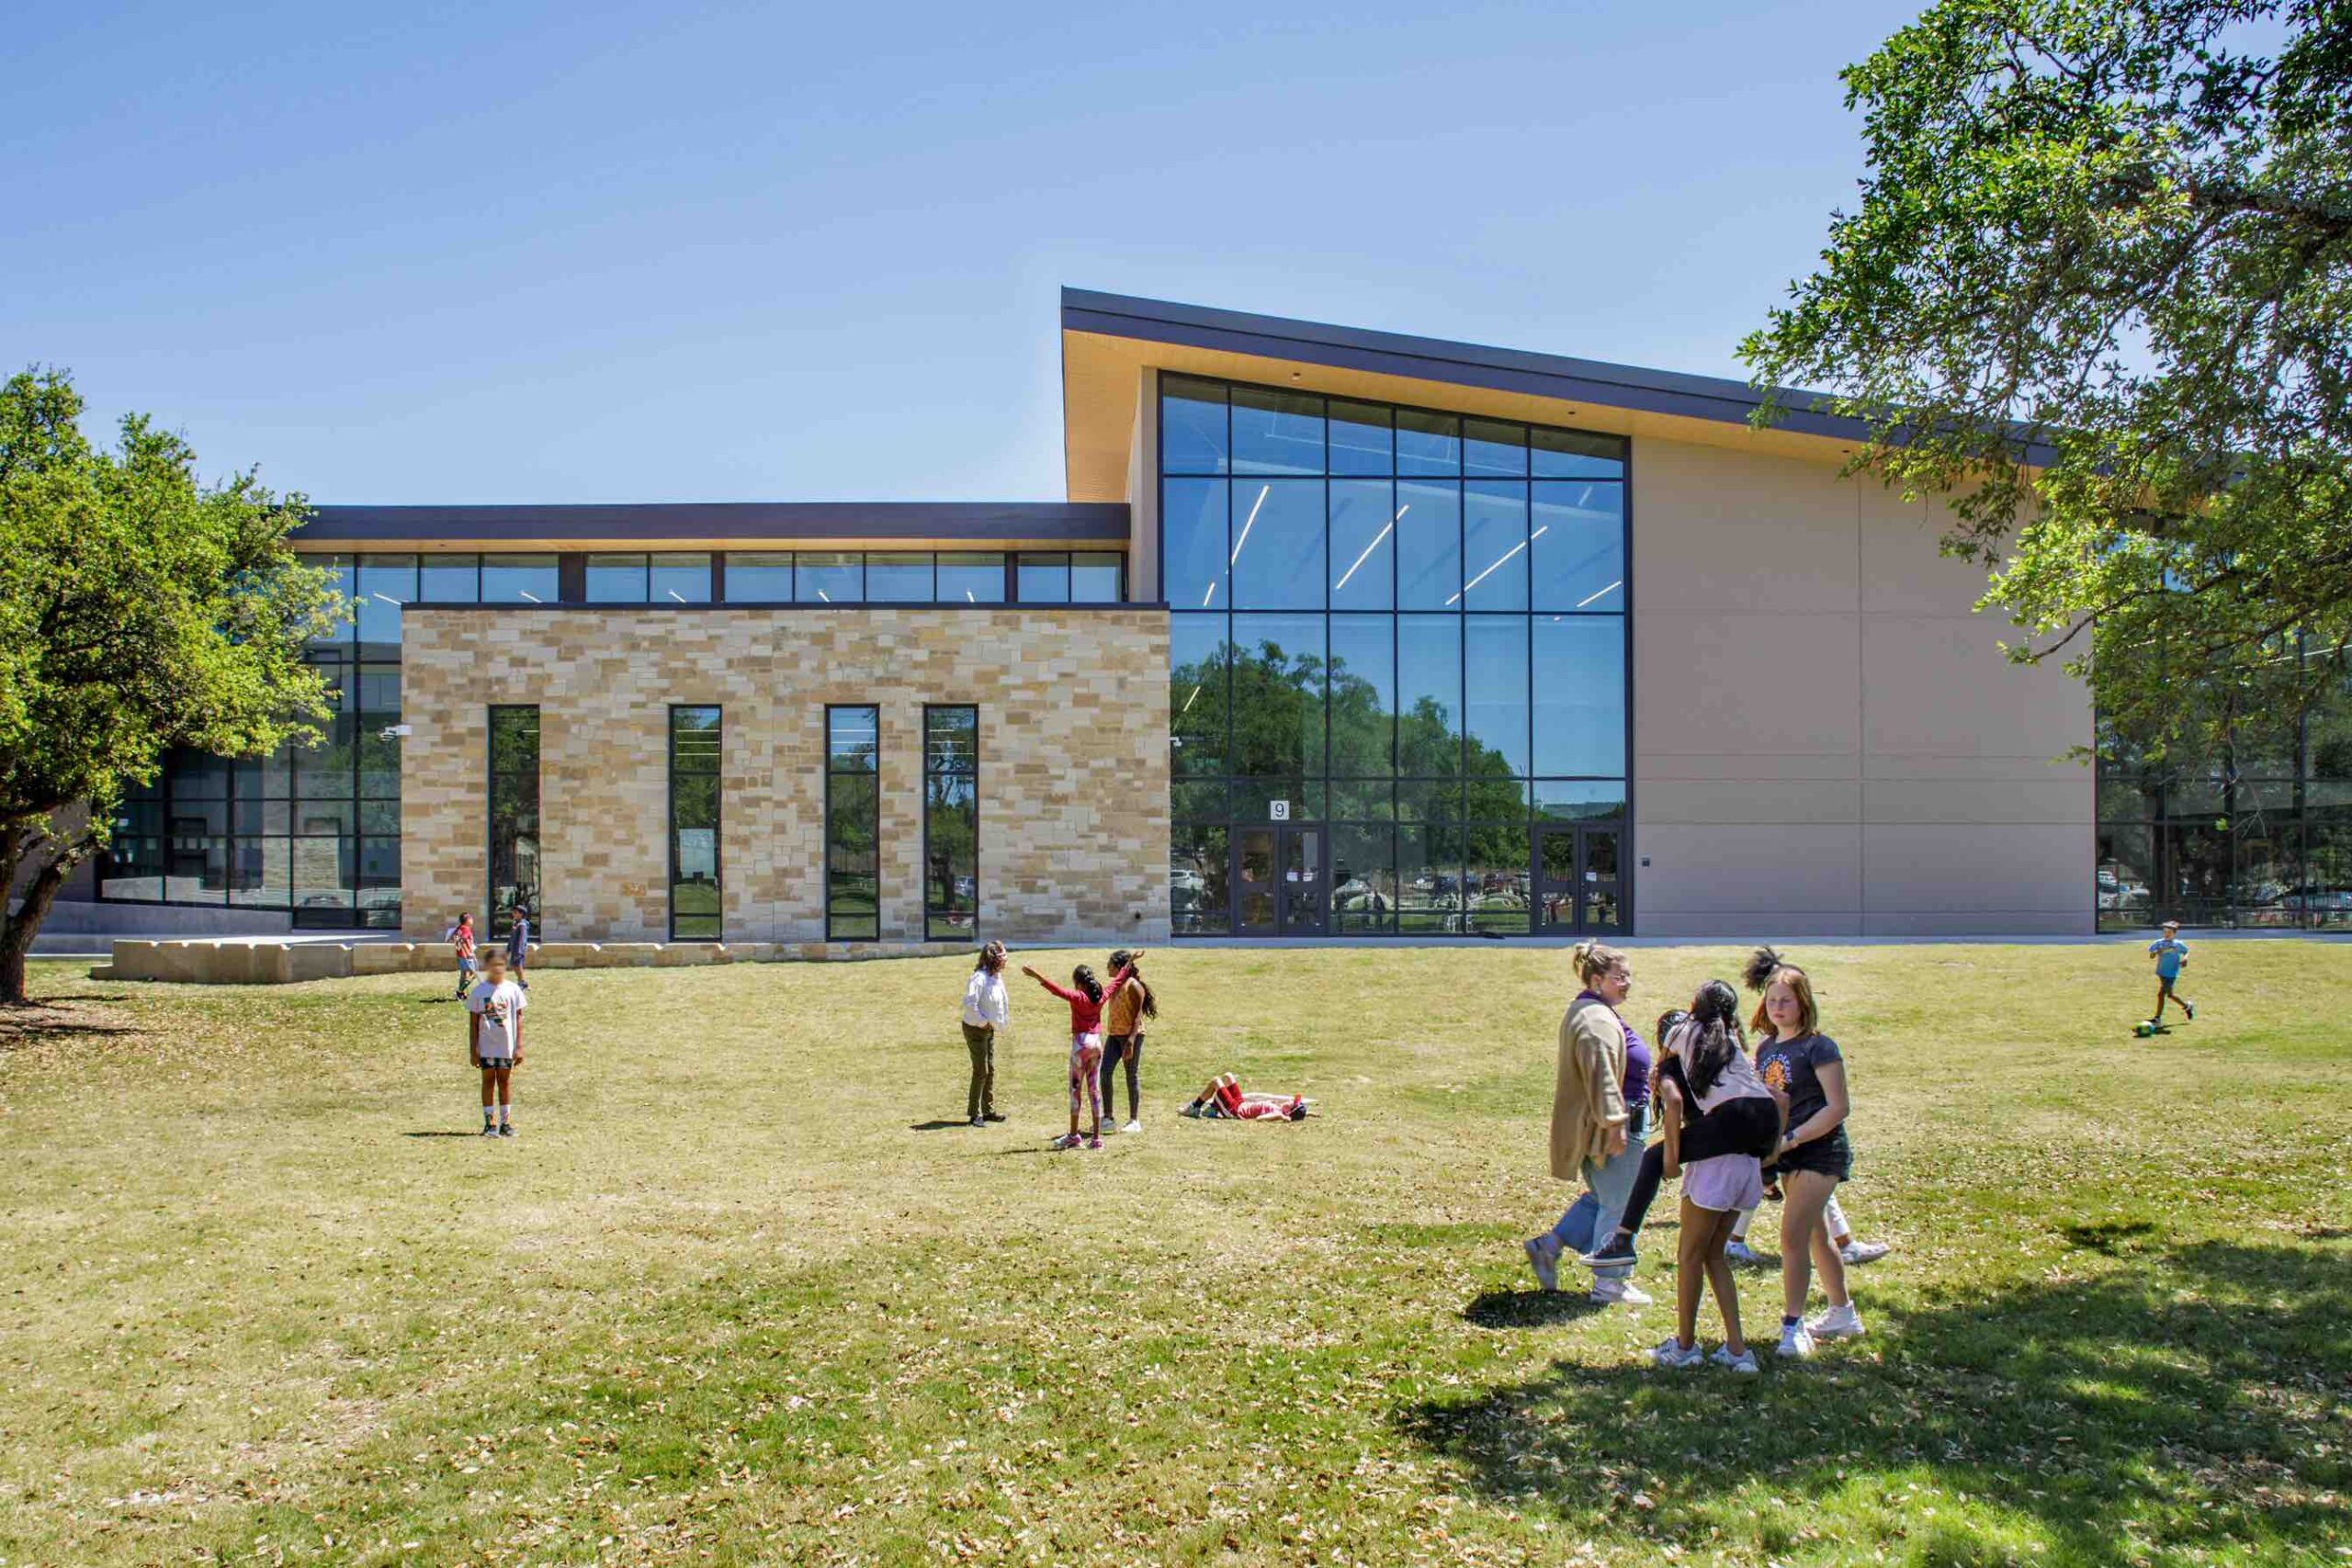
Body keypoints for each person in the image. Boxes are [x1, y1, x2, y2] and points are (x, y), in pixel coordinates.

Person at [1580, 987, 1784, 1276]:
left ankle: (1623, 1239)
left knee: (1652, 1158)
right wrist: (1773, 1153)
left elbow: (1673, 1098)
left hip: (1734, 1118)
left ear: (1694, 1006)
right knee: (1715, 1255)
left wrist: (1671, 1160)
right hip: (1766, 1118)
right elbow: (1782, 1100)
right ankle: (1768, 1177)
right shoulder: (1729, 1040)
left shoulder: (1680, 1030)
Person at [1523, 941, 1653, 1307]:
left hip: (1609, 1120)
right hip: (1612, 1123)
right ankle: (1610, 1284)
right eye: (1619, 977)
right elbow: (1601, 1075)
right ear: (1597, 979)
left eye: (1628, 976)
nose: (1626, 982)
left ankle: (1547, 1247)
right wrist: (1615, 1123)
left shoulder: (1593, 1011)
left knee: (1602, 1197)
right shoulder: (1595, 1019)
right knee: (1618, 1204)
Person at [1747, 949, 1863, 1358]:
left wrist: (1792, 1139)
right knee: (1815, 1235)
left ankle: (1792, 1327)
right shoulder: (1764, 1050)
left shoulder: (1819, 1047)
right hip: (1787, 1155)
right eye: (1772, 1000)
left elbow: (1837, 1107)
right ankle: (1842, 1313)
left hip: (1821, 1150)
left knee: (1792, 1236)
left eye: (1787, 1000)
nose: (1778, 1007)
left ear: (1804, 1004)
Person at [1022, 963, 1105, 1151]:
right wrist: (1130, 963)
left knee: (1075, 1090)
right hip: (1097, 1044)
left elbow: (1056, 990)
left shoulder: (1078, 998)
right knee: (1094, 1090)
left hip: (1081, 1046)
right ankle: (1097, 1139)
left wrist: (1037, 976)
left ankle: (1074, 1135)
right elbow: (1115, 983)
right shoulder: (1100, 997)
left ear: (1078, 983)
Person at [466, 947, 527, 1137]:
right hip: (486, 1046)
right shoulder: (479, 992)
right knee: (488, 1081)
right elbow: (474, 1023)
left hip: (506, 1045)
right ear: (486, 967)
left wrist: (518, 1046)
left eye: (501, 965)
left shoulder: (513, 990)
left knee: (504, 1081)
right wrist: (473, 1050)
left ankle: (506, 1123)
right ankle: (489, 1122)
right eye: (493, 965)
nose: (497, 969)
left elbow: (518, 1018)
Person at [1099, 950, 1158, 1134]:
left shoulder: (1133, 986)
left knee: (1131, 1075)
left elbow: (1138, 1015)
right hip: (1114, 1035)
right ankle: (1108, 1118)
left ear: (1118, 967)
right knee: (1105, 1072)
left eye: (1109, 964)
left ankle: (1134, 1120)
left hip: (1131, 1037)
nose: (1107, 967)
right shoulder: (1115, 984)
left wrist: (1131, 1041)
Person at [960, 942, 1010, 1128]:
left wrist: (998, 1023)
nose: (1006, 960)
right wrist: (983, 1022)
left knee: (990, 1070)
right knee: (981, 1071)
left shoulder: (996, 977)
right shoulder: (979, 978)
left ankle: (988, 1111)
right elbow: (970, 1003)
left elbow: (1001, 1001)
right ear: (994, 959)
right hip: (975, 1029)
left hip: (988, 1029)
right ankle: (974, 1114)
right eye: (1003, 956)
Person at [1181, 1072, 1307, 1121]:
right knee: (1228, 1076)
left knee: (1216, 1081)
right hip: (1239, 1103)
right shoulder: (1280, 1108)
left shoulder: (1277, 1112)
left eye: (1292, 1103)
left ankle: (1194, 1108)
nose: (1290, 1099)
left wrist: (1282, 1116)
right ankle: (1214, 1109)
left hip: (1234, 1111)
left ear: (1289, 1111)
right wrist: (1310, 1114)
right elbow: (1297, 1114)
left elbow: (1260, 1119)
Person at [2147, 919, 2194, 1027]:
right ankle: (2187, 1006)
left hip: (2172, 973)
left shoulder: (2178, 944)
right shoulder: (2158, 943)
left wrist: (2185, 959)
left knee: (2161, 994)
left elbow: (2186, 951)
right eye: (2165, 932)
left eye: (2169, 933)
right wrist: (2155, 952)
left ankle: (2157, 1018)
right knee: (2170, 995)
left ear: (2174, 934)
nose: (2167, 934)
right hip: (2161, 972)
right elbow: (2151, 955)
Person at [445, 912, 477, 1001]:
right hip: (466, 956)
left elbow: (451, 938)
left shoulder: (459, 928)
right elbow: (462, 941)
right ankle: (459, 991)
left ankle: (461, 994)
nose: (472, 920)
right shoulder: (466, 929)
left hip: (459, 954)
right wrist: (468, 953)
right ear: (468, 920)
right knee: (473, 974)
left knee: (464, 973)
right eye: (471, 918)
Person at [506, 904, 532, 990]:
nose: (513, 914)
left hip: (519, 949)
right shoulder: (515, 923)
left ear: (521, 914)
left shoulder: (522, 925)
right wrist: (508, 948)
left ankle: (521, 982)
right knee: (513, 965)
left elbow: (522, 939)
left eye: (515, 913)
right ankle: (523, 982)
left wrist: (520, 951)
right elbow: (511, 937)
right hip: (513, 948)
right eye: (513, 912)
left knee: (517, 965)